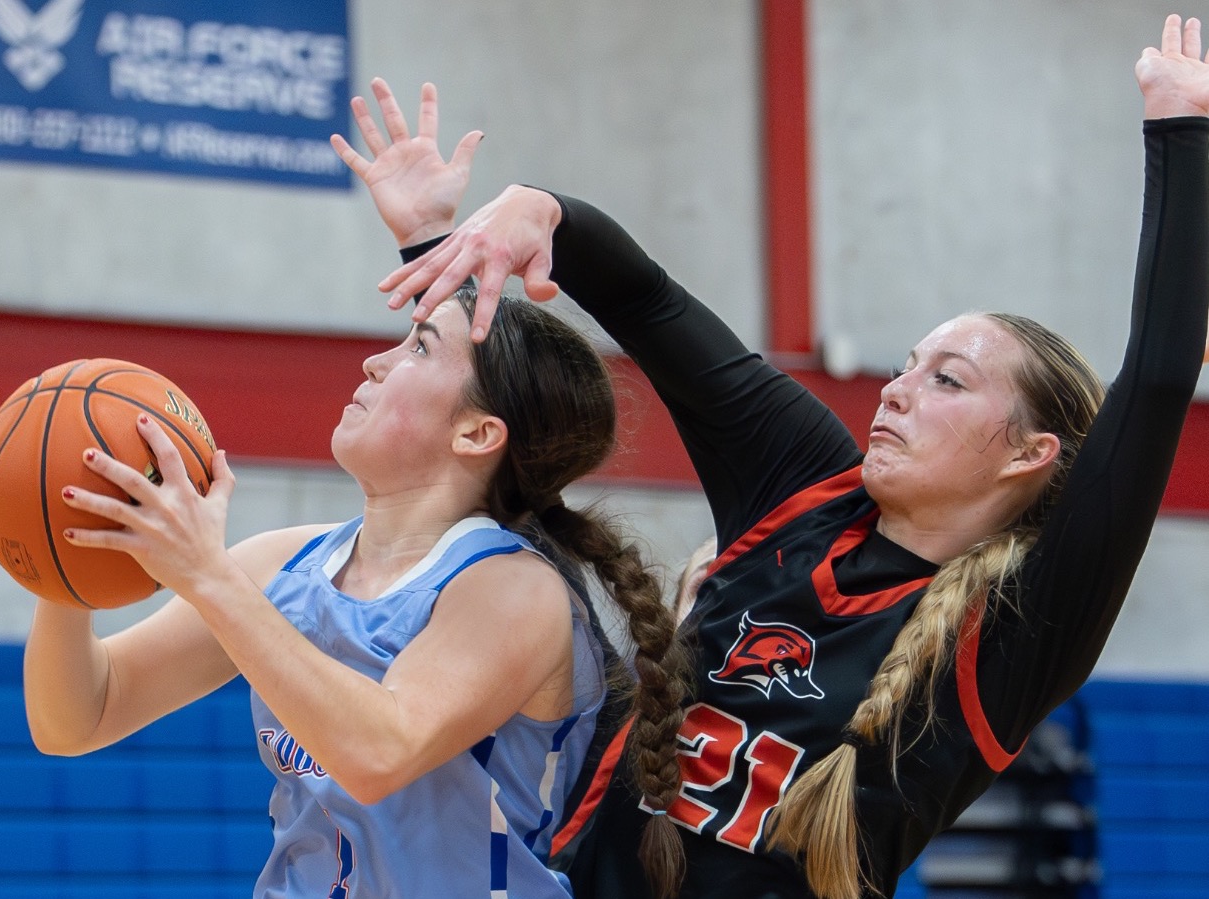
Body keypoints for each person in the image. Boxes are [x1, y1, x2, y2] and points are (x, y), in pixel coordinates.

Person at [345, 14, 1209, 899]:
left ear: (1029, 453)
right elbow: (645, 301)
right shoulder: (805, 486)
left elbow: (1156, 378)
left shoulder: (1017, 627)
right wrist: (513, 217)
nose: (896, 390)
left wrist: (1180, 125)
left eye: (946, 380)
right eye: (905, 365)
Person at [20, 152, 692, 893]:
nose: (375, 361)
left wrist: (207, 574)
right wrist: (63, 561)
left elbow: (380, 748)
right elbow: (79, 716)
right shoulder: (284, 563)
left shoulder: (512, 591)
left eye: (417, 348)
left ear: (477, 433)